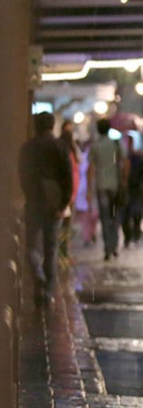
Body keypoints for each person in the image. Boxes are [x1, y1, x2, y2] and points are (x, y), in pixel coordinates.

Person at [18, 112, 73, 305]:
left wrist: (29, 195)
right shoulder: (60, 147)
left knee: (31, 247)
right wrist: (63, 203)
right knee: (51, 249)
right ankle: (48, 292)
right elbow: (67, 177)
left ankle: (38, 275)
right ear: (52, 126)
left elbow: (23, 175)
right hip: (54, 204)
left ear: (36, 126)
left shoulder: (27, 148)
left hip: (34, 203)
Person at [87, 118, 127, 261]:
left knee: (104, 218)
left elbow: (91, 168)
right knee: (115, 216)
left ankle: (107, 248)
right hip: (115, 186)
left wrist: (89, 189)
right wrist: (124, 180)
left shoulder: (95, 146)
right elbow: (125, 162)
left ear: (98, 130)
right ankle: (114, 246)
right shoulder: (116, 144)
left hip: (101, 186)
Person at [58, 120, 82, 263]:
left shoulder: (71, 150)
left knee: (67, 225)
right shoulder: (65, 151)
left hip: (71, 192)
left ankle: (65, 253)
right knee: (64, 225)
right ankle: (62, 254)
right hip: (68, 193)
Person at [122, 141, 143, 247]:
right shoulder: (124, 158)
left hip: (136, 190)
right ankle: (129, 237)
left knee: (135, 214)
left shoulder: (138, 159)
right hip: (128, 190)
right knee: (127, 215)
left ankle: (135, 237)